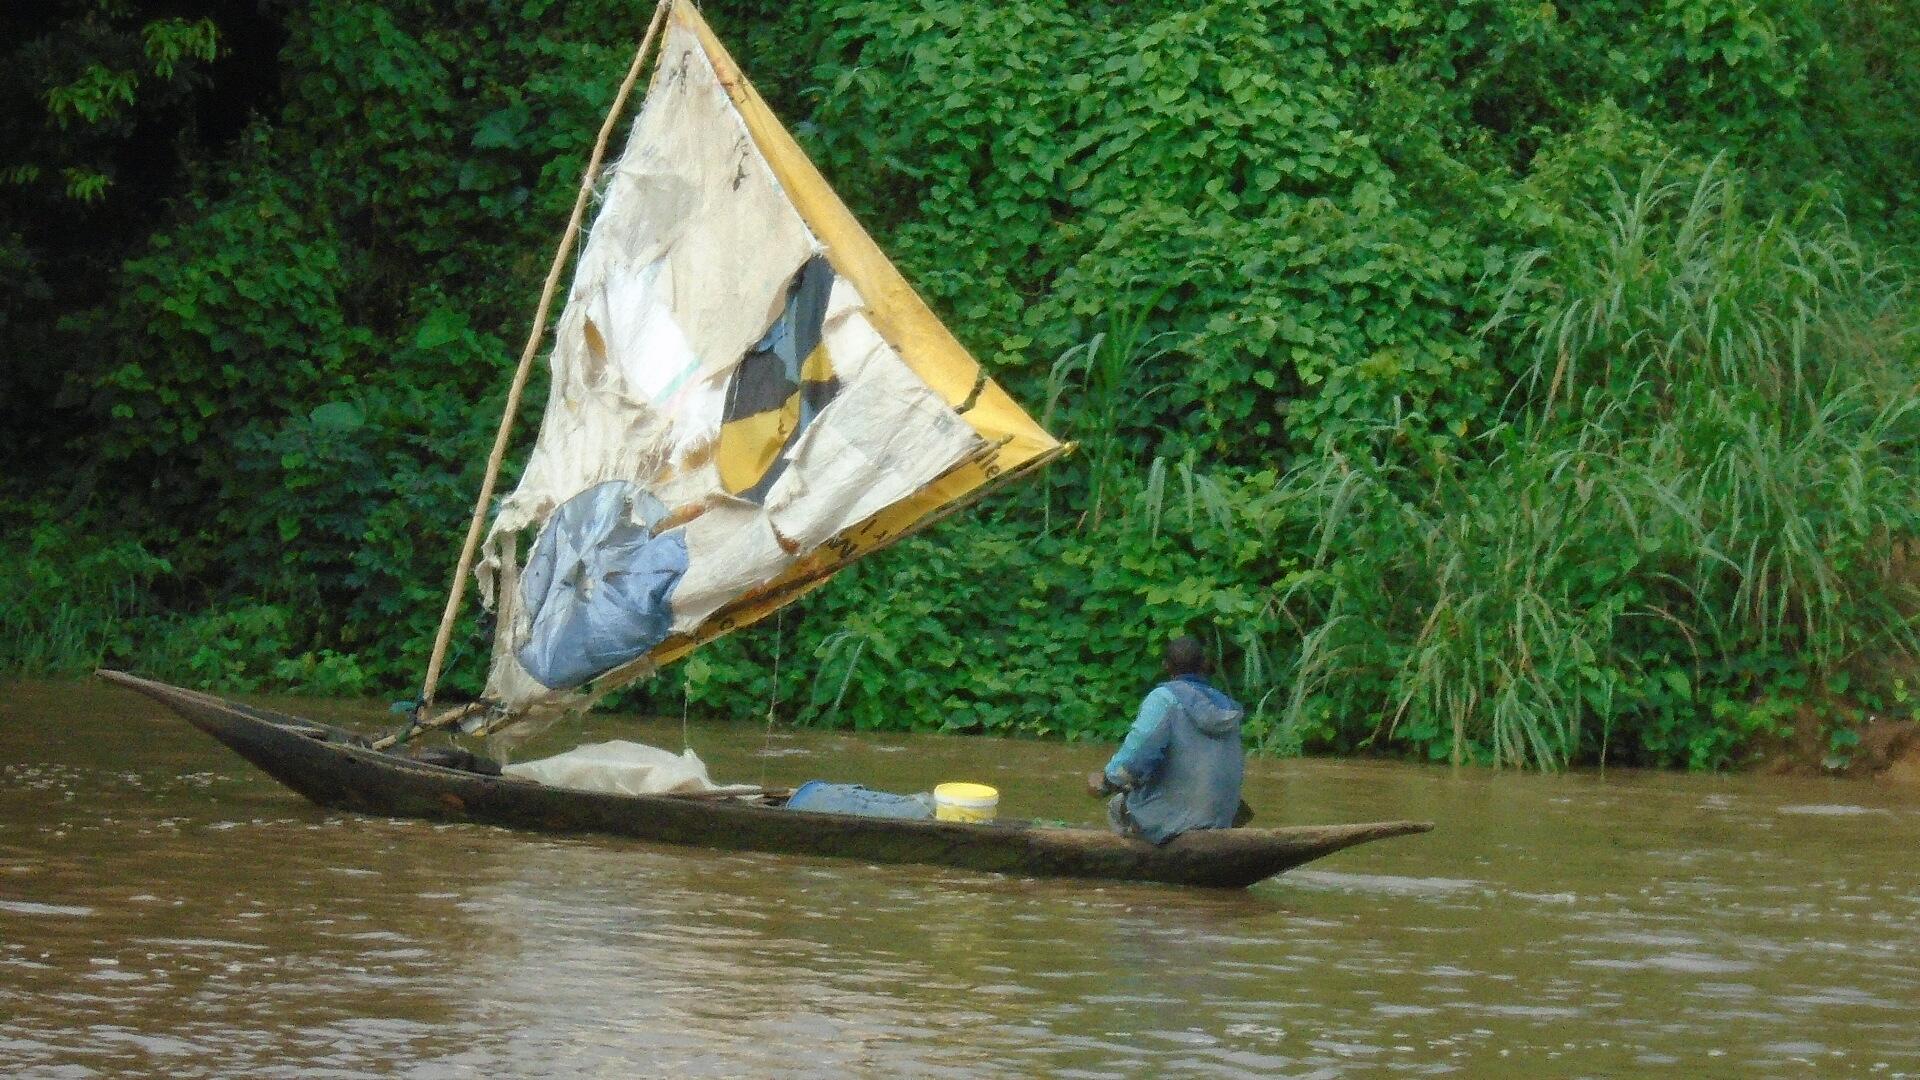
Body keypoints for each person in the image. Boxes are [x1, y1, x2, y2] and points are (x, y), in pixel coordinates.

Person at [1087, 636, 1247, 844]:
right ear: (1203, 665)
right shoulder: (1227, 706)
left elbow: (1137, 757)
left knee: (1117, 806)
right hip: (1223, 819)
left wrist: (1106, 782)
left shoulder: (1163, 699)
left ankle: (1138, 867)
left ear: (1165, 665)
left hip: (1175, 823)